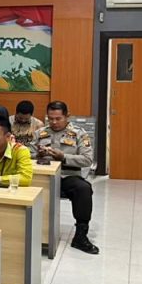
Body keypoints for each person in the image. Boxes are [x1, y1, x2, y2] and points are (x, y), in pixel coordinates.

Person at [33, 101, 98, 254]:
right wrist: (38, 155)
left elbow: (87, 160)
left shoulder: (79, 133)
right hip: (44, 176)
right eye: (50, 119)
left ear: (67, 116)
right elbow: (27, 155)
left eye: (58, 118)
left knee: (84, 189)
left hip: (67, 176)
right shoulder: (39, 133)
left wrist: (63, 157)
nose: (54, 122)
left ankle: (81, 235)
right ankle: (33, 232)